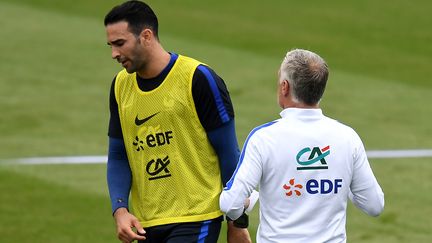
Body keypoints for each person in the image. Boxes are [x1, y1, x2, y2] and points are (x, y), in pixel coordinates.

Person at [104, 1, 252, 242]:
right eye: (110, 45)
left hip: (197, 217)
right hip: (146, 223)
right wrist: (120, 209)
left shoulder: (198, 78)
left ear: (146, 36)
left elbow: (229, 153)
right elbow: (119, 154)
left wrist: (237, 222)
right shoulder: (120, 86)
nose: (114, 54)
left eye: (120, 44)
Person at [220, 49, 385, 242]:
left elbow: (230, 203)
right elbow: (374, 205)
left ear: (285, 87)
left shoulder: (264, 138)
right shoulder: (347, 137)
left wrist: (247, 202)